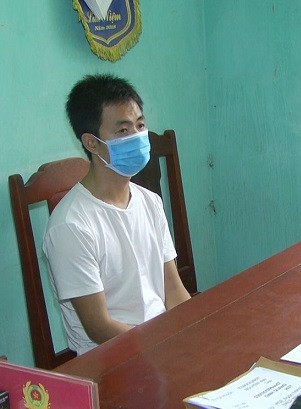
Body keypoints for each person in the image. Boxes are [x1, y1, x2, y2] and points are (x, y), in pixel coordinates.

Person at [43, 74, 191, 355]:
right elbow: (99, 327)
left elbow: (173, 290)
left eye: (140, 125)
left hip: (162, 340)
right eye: (123, 130)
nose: (137, 137)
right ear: (91, 143)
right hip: (110, 358)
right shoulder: (71, 226)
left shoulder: (149, 202)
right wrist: (163, 348)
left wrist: (195, 332)